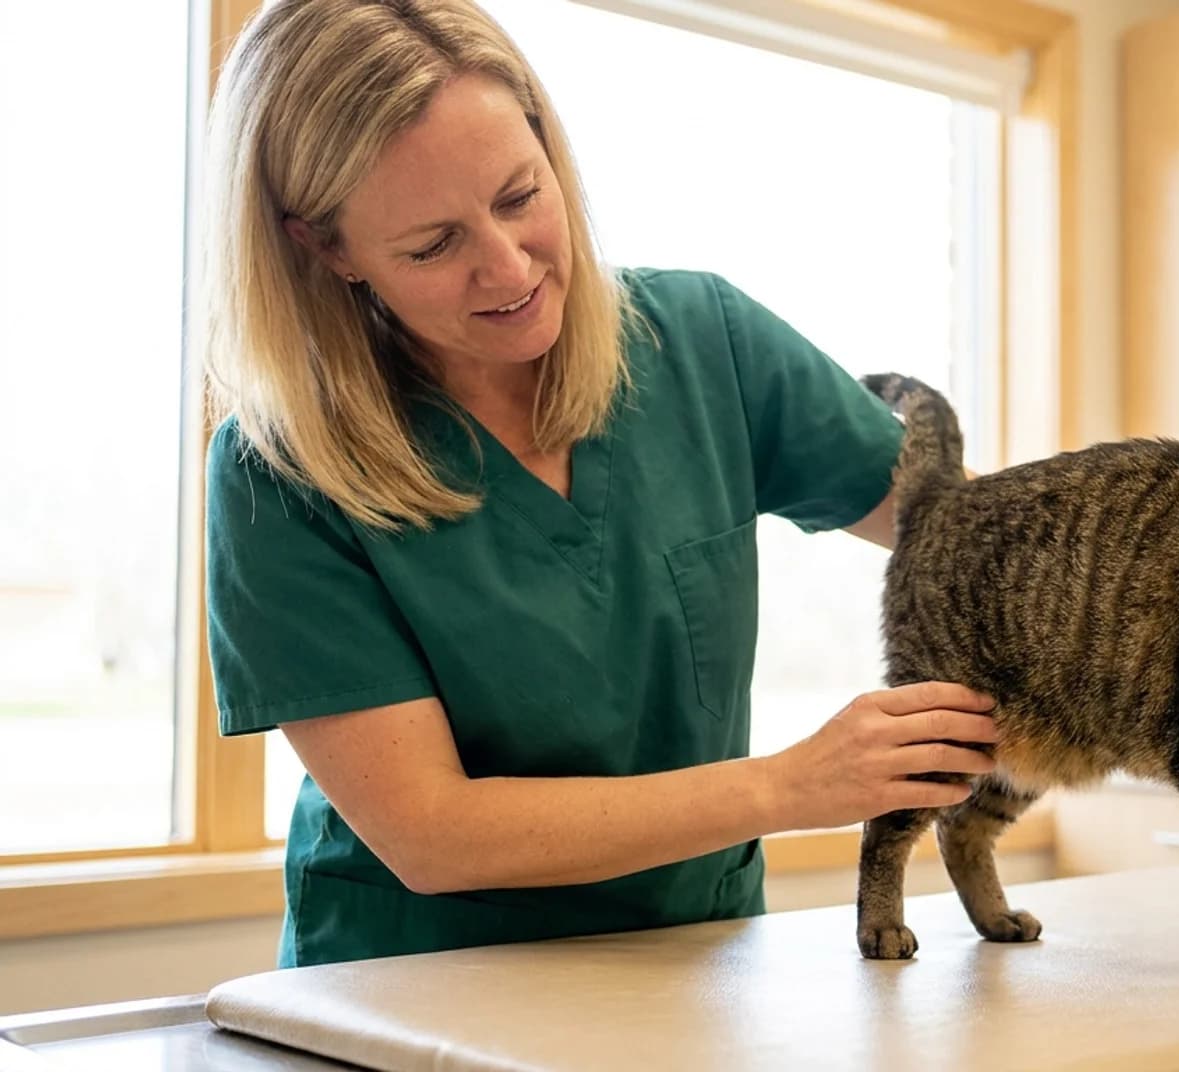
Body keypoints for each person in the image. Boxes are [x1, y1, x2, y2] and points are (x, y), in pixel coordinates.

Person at [200, 0, 997, 969]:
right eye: (433, 244)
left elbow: (981, 548)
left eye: (519, 195)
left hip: (696, 970)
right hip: (414, 993)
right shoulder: (277, 474)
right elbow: (435, 832)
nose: (507, 267)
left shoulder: (704, 345)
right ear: (327, 248)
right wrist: (795, 785)